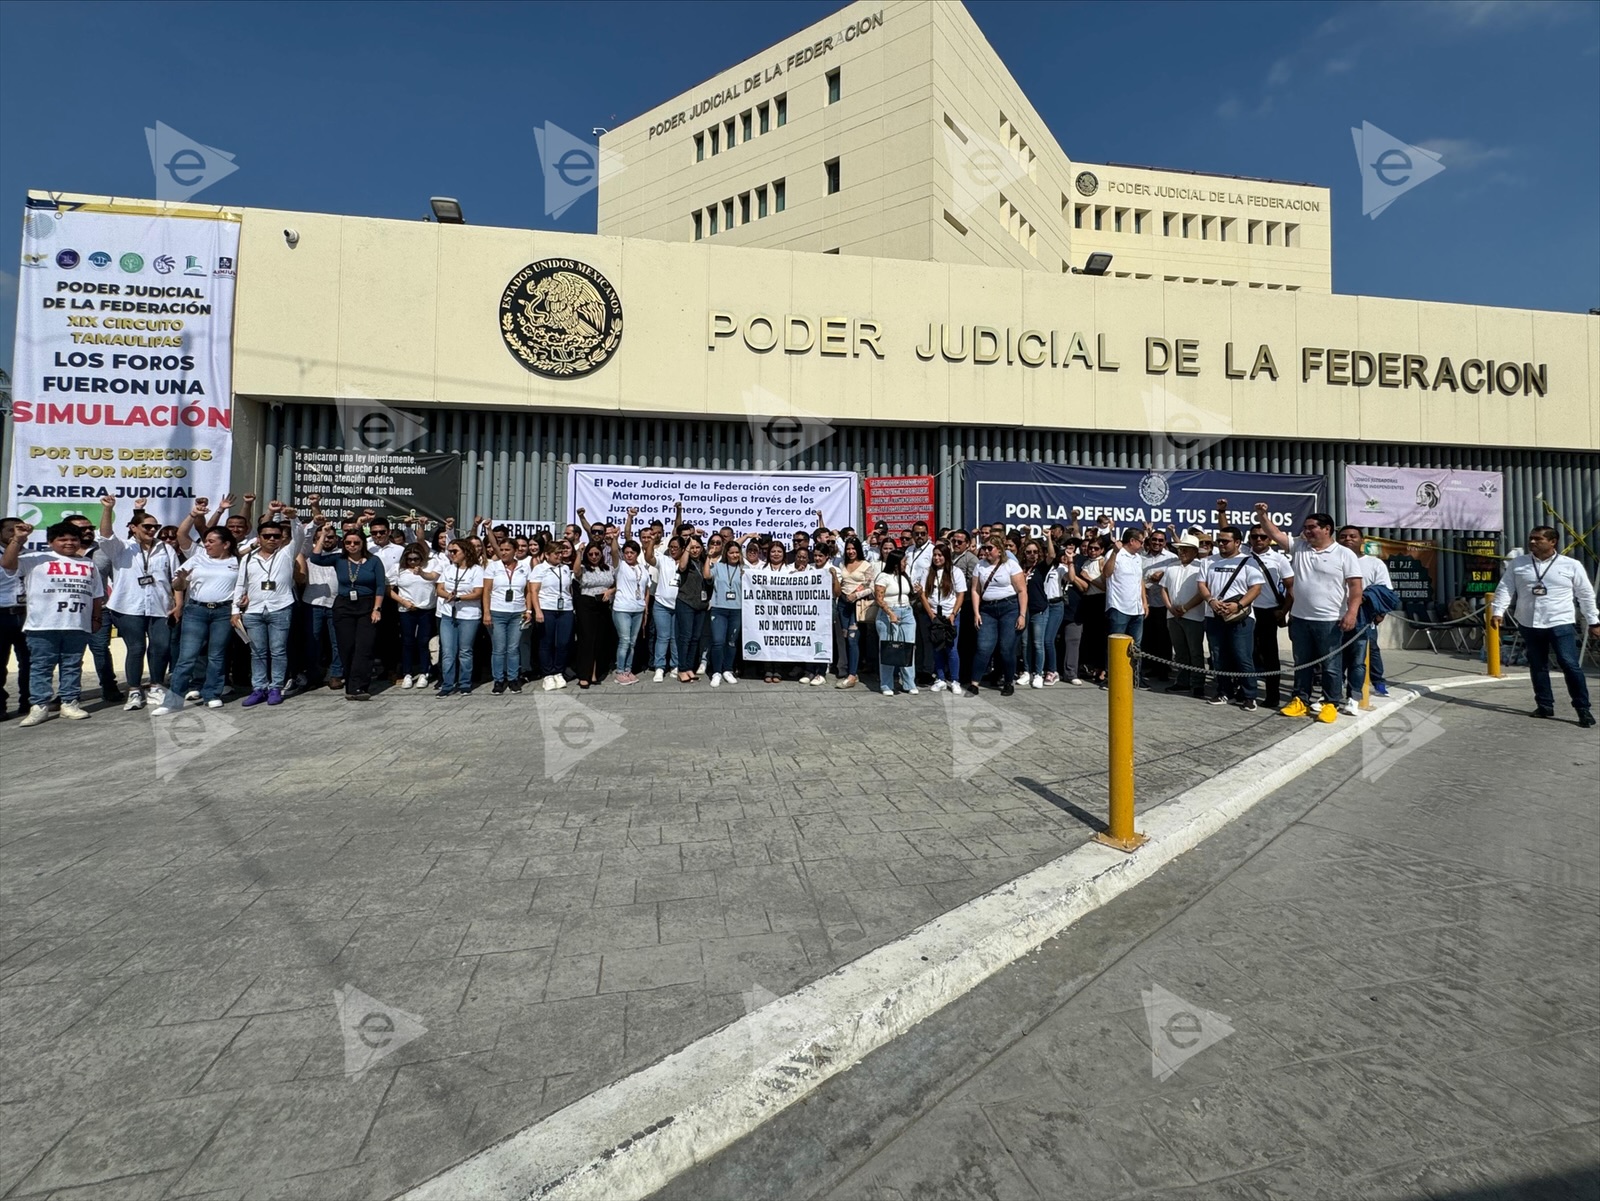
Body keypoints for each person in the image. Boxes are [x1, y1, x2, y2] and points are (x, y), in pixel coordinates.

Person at [1257, 504, 1363, 723]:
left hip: (1330, 620)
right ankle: (1300, 700)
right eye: (1305, 527)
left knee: (1331, 665)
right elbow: (1274, 533)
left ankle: (1331, 703)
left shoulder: (1344, 554)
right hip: (1300, 619)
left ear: (1327, 529)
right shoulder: (1299, 547)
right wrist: (1262, 516)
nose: (1306, 531)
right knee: (1301, 663)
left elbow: (1355, 587)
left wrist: (1352, 613)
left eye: (1312, 527)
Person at [1491, 526, 1598, 727]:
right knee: (1537, 665)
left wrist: (1594, 621)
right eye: (1530, 538)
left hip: (1560, 622)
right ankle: (1544, 705)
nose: (1532, 542)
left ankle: (1583, 709)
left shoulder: (1570, 565)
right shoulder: (1519, 564)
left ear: (1552, 541)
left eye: (1537, 539)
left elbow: (1585, 594)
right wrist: (1498, 611)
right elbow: (1505, 588)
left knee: (1569, 664)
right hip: (1529, 622)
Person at [1, 521, 105, 726]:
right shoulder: (34, 559)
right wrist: (18, 539)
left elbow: (96, 595)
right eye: (63, 539)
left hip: (77, 624)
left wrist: (96, 618)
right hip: (42, 625)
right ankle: (39, 706)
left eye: (73, 539)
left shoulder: (88, 563)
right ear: (50, 542)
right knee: (41, 666)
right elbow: (7, 564)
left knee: (73, 665)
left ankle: (69, 702)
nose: (69, 543)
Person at [95, 492, 181, 711]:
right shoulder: (122, 547)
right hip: (128, 606)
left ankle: (156, 686)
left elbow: (175, 578)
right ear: (134, 528)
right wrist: (107, 509)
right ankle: (134, 690)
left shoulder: (166, 548)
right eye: (147, 527)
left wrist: (178, 601)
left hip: (161, 606)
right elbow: (105, 535)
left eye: (155, 527)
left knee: (160, 647)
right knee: (136, 648)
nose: (152, 530)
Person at [151, 525, 241, 715]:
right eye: (206, 541)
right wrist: (181, 580)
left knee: (216, 655)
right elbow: (177, 583)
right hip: (197, 611)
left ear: (225, 544)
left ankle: (212, 694)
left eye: (211, 541)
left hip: (223, 611)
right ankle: (173, 701)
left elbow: (243, 586)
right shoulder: (198, 558)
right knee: (187, 657)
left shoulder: (237, 561)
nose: (206, 545)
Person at [232, 510, 306, 707]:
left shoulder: (286, 553)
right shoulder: (248, 558)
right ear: (259, 538)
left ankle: (276, 687)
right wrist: (234, 611)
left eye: (276, 536)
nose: (272, 539)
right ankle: (259, 688)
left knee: (278, 651)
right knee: (257, 652)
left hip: (280, 607)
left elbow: (300, 534)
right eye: (267, 536)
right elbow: (241, 584)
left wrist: (293, 518)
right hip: (254, 610)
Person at [309, 529, 387, 701]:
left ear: (363, 544)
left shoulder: (374, 561)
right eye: (348, 542)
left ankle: (360, 686)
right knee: (346, 646)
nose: (352, 546)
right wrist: (322, 535)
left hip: (367, 605)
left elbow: (380, 586)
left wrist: (377, 609)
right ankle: (352, 686)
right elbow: (315, 558)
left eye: (356, 542)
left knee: (364, 646)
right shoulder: (339, 559)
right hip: (344, 605)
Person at [1195, 526, 1266, 710]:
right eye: (1219, 541)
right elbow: (1201, 584)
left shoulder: (1249, 562)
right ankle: (1224, 691)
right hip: (1214, 615)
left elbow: (1256, 588)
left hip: (1241, 618)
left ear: (1237, 542)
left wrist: (1239, 605)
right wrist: (1211, 601)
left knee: (1242, 657)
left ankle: (1249, 695)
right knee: (1218, 657)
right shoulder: (1208, 561)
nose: (1221, 544)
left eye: (1225, 541)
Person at [1336, 526, 1393, 706]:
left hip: (1364, 618)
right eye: (1343, 536)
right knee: (1336, 658)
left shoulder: (1374, 563)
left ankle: (1376, 684)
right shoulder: (1332, 560)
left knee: (1367, 653)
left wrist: (1380, 612)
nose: (1348, 539)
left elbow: (1385, 590)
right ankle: (1334, 691)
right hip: (1334, 616)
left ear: (1362, 540)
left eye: (1353, 536)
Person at [969, 535, 1027, 696]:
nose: (986, 551)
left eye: (990, 548)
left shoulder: (1011, 565)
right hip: (988, 609)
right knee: (983, 647)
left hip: (1009, 607)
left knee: (1006, 648)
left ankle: (1008, 681)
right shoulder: (980, 566)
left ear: (999, 550)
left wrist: (1022, 615)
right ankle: (975, 683)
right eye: (984, 548)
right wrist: (976, 612)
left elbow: (1022, 591)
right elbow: (975, 590)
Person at [1244, 526, 1294, 710]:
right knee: (1245, 654)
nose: (1259, 539)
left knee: (1270, 656)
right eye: (1255, 536)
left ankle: (1273, 695)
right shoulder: (1242, 553)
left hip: (1268, 612)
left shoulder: (1279, 559)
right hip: (1246, 611)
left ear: (1269, 539)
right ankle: (1245, 692)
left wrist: (1284, 611)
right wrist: (1222, 511)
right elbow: (1226, 529)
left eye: (1263, 536)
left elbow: (1291, 588)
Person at [482, 531, 533, 695]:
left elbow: (528, 591)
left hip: (517, 613)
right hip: (497, 612)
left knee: (513, 648)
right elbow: (486, 590)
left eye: (507, 550)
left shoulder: (524, 568)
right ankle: (498, 679)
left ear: (515, 551)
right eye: (501, 550)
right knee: (499, 648)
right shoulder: (493, 567)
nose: (503, 553)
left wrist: (528, 609)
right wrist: (486, 613)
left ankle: (513, 678)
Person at [434, 538, 485, 697]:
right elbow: (439, 589)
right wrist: (448, 595)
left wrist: (459, 598)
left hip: (468, 615)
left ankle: (464, 683)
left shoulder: (476, 570)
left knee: (465, 651)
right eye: (450, 551)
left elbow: (478, 592)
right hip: (448, 614)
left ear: (465, 552)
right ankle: (447, 684)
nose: (451, 554)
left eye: (455, 551)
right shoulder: (449, 569)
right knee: (448, 651)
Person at [1161, 534, 1209, 697]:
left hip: (1194, 615)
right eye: (1180, 549)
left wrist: (1186, 607)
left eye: (1186, 549)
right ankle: (1182, 681)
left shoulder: (1202, 567)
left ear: (1195, 551)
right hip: (1173, 615)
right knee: (1180, 651)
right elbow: (1164, 589)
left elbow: (1203, 592)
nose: (1182, 552)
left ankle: (1198, 683)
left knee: (1195, 652)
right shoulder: (1172, 567)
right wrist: (1170, 607)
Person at [1100, 529, 1149, 687]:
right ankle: (1112, 678)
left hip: (1137, 609)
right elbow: (1106, 573)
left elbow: (1139, 580)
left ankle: (1135, 678)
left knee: (1136, 646)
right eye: (1141, 541)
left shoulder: (1138, 558)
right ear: (1132, 541)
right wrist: (1114, 552)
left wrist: (1144, 602)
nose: (1142, 545)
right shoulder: (1115, 554)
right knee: (1116, 645)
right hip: (1119, 607)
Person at [391, 541, 440, 689]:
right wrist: (403, 601)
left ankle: (424, 672)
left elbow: (433, 577)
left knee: (423, 641)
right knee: (407, 641)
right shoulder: (397, 569)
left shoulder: (431, 565)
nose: (412, 562)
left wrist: (422, 573)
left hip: (426, 608)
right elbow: (389, 589)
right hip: (407, 609)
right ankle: (407, 673)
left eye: (416, 559)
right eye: (409, 559)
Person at [921, 540, 967, 694]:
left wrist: (954, 613)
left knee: (951, 648)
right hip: (934, 614)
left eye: (940, 555)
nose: (937, 558)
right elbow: (923, 594)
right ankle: (940, 678)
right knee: (937, 648)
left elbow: (960, 594)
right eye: (934, 555)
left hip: (949, 615)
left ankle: (955, 679)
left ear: (946, 556)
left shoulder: (955, 572)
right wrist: (931, 614)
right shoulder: (928, 572)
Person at [529, 539, 574, 690]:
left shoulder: (566, 568)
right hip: (547, 608)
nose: (560, 556)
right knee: (546, 642)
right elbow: (533, 591)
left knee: (563, 642)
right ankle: (547, 674)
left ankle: (558, 671)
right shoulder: (540, 569)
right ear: (547, 555)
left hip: (565, 608)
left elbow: (570, 589)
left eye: (561, 553)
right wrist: (538, 610)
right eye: (556, 553)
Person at [872, 546, 918, 696]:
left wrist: (917, 592)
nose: (905, 564)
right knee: (889, 648)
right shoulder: (883, 577)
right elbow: (879, 599)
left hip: (906, 612)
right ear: (896, 562)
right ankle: (886, 684)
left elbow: (908, 595)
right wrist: (890, 614)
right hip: (889, 613)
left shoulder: (905, 576)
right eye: (904, 561)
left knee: (908, 647)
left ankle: (908, 682)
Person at [609, 520, 650, 685]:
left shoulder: (643, 569)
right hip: (622, 608)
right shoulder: (621, 566)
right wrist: (614, 538)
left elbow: (646, 590)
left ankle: (628, 669)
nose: (629, 555)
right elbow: (613, 552)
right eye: (626, 552)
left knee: (632, 642)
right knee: (624, 640)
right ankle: (619, 671)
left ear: (637, 553)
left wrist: (645, 608)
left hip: (638, 608)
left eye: (632, 552)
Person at [833, 536, 875, 689]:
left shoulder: (866, 565)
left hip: (857, 604)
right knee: (845, 638)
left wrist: (856, 595)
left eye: (853, 548)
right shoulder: (842, 563)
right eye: (848, 549)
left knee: (852, 638)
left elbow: (872, 587)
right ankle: (849, 669)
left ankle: (852, 675)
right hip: (843, 604)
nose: (851, 551)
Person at [572, 541, 616, 688]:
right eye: (590, 554)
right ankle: (584, 674)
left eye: (597, 554)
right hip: (586, 604)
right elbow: (576, 572)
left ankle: (595, 672)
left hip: (603, 604)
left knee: (600, 640)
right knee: (587, 640)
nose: (594, 556)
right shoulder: (584, 568)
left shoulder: (608, 568)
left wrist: (610, 591)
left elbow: (616, 583)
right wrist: (579, 553)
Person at [0, 516, 31, 721]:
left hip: (27, 613)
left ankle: (28, 701)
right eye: (10, 530)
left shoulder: (32, 556)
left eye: (20, 529)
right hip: (1, 614)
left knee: (30, 662)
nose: (15, 533)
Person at [1139, 528, 1177, 682]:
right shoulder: (1141, 557)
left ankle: (1164, 669)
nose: (1157, 543)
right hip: (1146, 603)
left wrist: (1163, 574)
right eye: (1154, 540)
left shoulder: (1172, 558)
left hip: (1163, 603)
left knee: (1164, 639)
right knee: (1149, 638)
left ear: (1165, 542)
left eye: (1160, 540)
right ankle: (1152, 667)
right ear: (1149, 541)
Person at [707, 539, 746, 687]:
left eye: (737, 552)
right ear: (726, 554)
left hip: (737, 609)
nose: (735, 555)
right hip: (719, 608)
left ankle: (727, 669)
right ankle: (716, 672)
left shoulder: (744, 568)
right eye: (732, 553)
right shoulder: (719, 566)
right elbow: (706, 576)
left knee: (731, 642)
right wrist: (708, 558)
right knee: (718, 641)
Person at [644, 533, 682, 682]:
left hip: (679, 605)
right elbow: (648, 557)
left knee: (675, 637)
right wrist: (652, 540)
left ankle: (675, 665)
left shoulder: (686, 561)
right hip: (661, 605)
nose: (673, 550)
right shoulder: (663, 560)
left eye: (676, 547)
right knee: (662, 637)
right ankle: (659, 667)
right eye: (671, 547)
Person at [674, 536, 711, 683]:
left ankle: (690, 667)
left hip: (701, 605)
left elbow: (708, 578)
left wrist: (708, 557)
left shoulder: (703, 562)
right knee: (686, 637)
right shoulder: (686, 561)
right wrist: (687, 548)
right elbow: (681, 567)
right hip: (686, 603)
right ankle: (682, 668)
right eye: (692, 547)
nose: (695, 550)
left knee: (696, 638)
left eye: (697, 547)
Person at [1075, 536, 1109, 686]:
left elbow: (1106, 587)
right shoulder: (1086, 562)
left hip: (1100, 600)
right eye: (1090, 548)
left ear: (1102, 550)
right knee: (1090, 637)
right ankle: (1092, 666)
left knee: (1101, 637)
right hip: (1087, 601)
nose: (1092, 551)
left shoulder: (1102, 562)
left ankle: (1102, 669)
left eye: (1096, 548)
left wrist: (1089, 578)